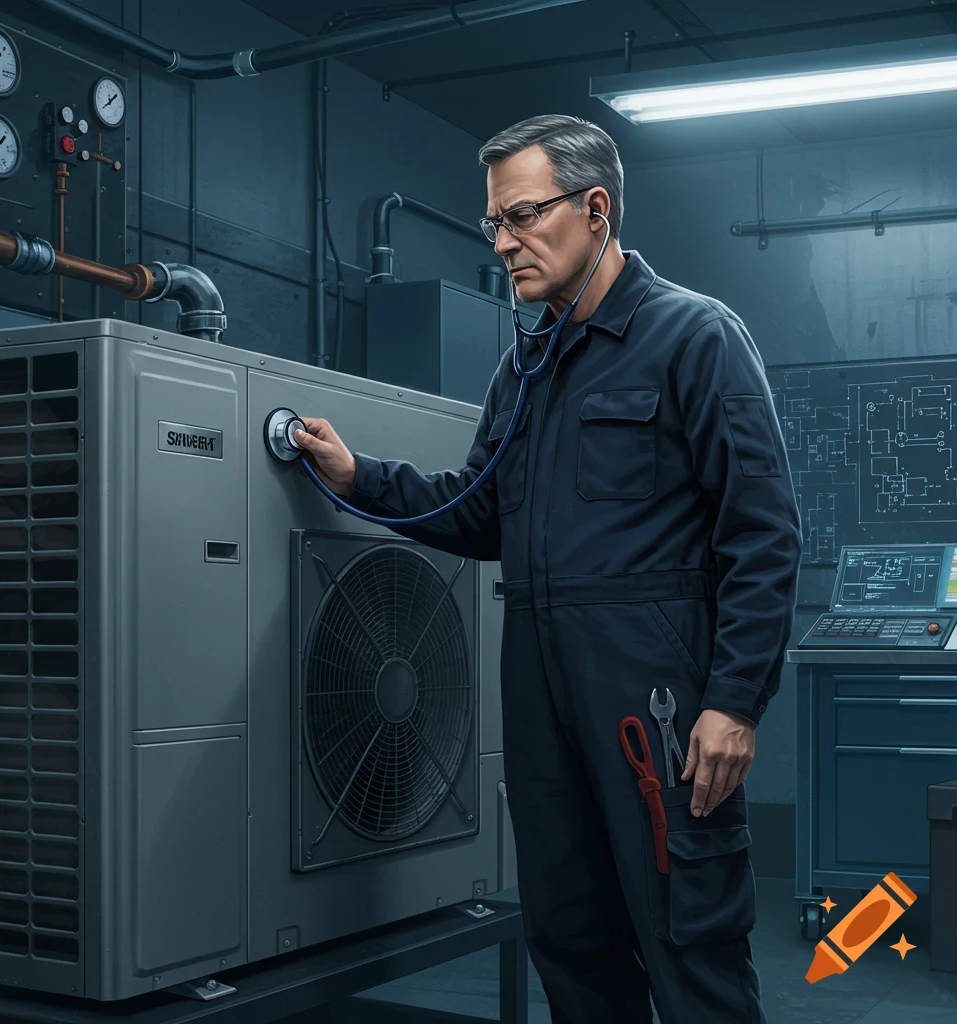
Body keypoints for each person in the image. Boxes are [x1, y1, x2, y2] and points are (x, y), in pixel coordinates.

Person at [294, 114, 802, 1024]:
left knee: (689, 947)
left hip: (654, 698)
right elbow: (479, 508)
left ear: (596, 208)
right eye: (494, 222)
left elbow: (761, 532)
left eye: (521, 216)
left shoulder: (695, 338)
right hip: (539, 687)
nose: (501, 244)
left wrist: (735, 702)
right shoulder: (525, 367)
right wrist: (359, 479)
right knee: (571, 940)